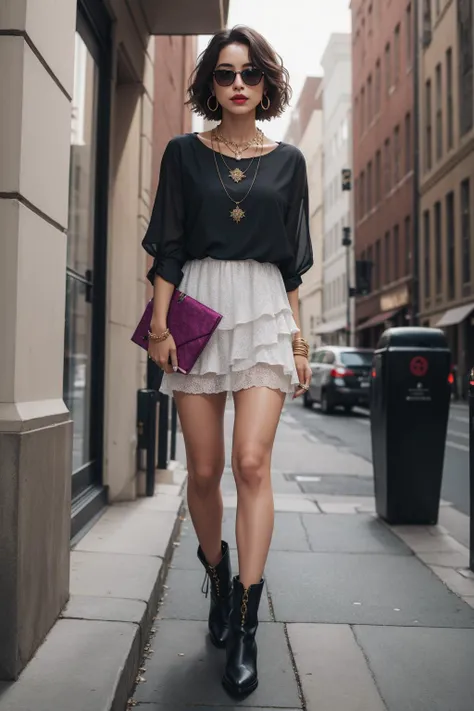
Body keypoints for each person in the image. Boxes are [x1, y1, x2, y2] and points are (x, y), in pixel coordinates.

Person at [142, 25, 313, 698]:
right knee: (206, 468)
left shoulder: (291, 163)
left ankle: (245, 624)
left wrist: (297, 338)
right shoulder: (184, 154)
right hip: (198, 305)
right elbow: (169, 246)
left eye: (249, 73)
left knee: (251, 463)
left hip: (265, 308)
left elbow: (291, 262)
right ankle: (215, 575)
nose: (237, 83)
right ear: (209, 84)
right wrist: (160, 324)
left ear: (267, 84)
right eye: (224, 73)